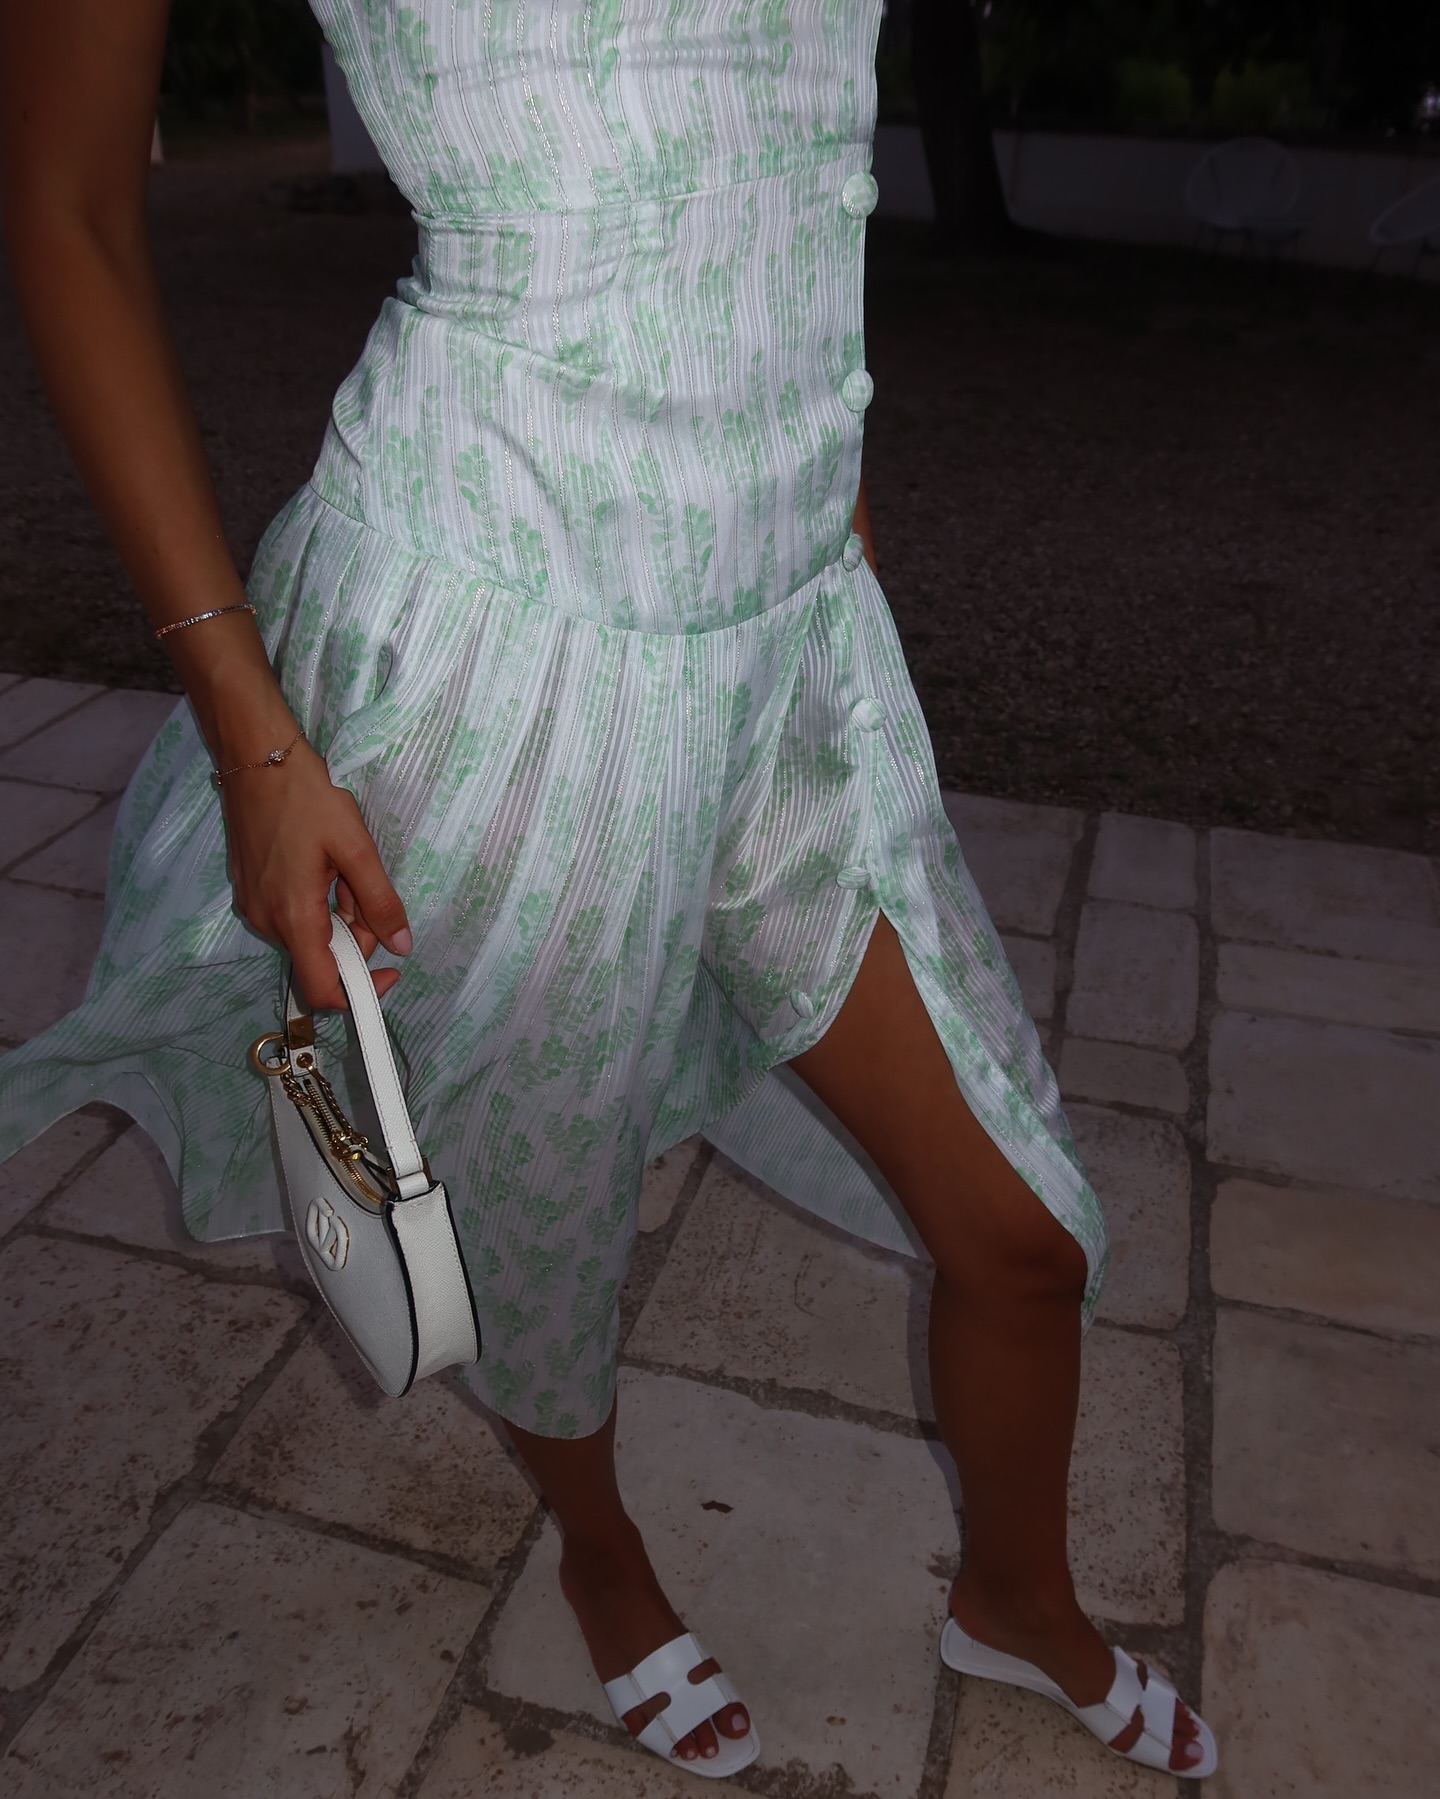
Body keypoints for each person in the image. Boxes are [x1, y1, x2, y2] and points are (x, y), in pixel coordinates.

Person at [0, 0, 1214, 1780]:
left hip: (788, 642)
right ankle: (603, 1552)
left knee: (1022, 1237)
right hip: (493, 637)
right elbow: (68, 210)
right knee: (532, 1207)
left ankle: (1018, 1599)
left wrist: (823, 485)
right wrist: (255, 742)